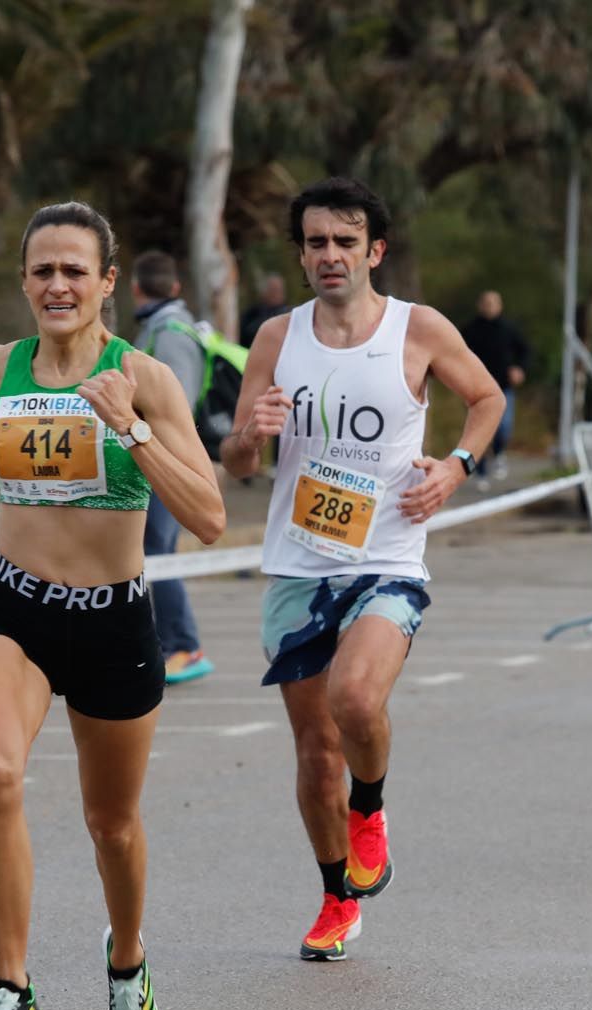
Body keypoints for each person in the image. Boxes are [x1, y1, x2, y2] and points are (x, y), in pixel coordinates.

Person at [0, 202, 224, 1010]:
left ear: (106, 284)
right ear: (24, 281)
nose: (57, 284)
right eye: (43, 270)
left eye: (74, 271)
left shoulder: (146, 378)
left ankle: (126, 961)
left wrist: (127, 423)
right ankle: (13, 990)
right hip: (16, 609)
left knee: (111, 824)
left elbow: (206, 515)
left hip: (114, 621)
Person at [223, 176, 504, 961]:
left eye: (346, 242)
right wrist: (252, 431)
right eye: (316, 243)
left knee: (355, 697)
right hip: (297, 566)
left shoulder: (419, 329)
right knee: (315, 751)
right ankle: (335, 897)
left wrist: (454, 467)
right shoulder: (278, 338)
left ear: (374, 251)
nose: (330, 256)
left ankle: (371, 806)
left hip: (386, 557)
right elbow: (239, 461)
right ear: (302, 254)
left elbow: (485, 400)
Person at [131, 250, 217, 685]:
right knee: (152, 553)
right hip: (158, 459)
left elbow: (174, 406)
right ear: (176, 287)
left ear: (134, 288)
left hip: (167, 463)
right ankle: (168, 642)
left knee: (159, 555)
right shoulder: (163, 328)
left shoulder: (168, 333)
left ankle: (183, 645)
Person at [461, 290, 530, 489]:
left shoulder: (509, 329)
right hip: (476, 389)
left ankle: (499, 453)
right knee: (478, 432)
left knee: (503, 427)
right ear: (479, 305)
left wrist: (520, 369)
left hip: (503, 388)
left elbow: (525, 350)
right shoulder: (470, 330)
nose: (489, 306)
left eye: (493, 303)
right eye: (486, 302)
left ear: (500, 305)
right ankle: (480, 471)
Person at [239, 272, 289, 347]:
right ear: (264, 292)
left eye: (279, 290)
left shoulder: (288, 313)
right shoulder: (252, 314)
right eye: (273, 290)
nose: (276, 294)